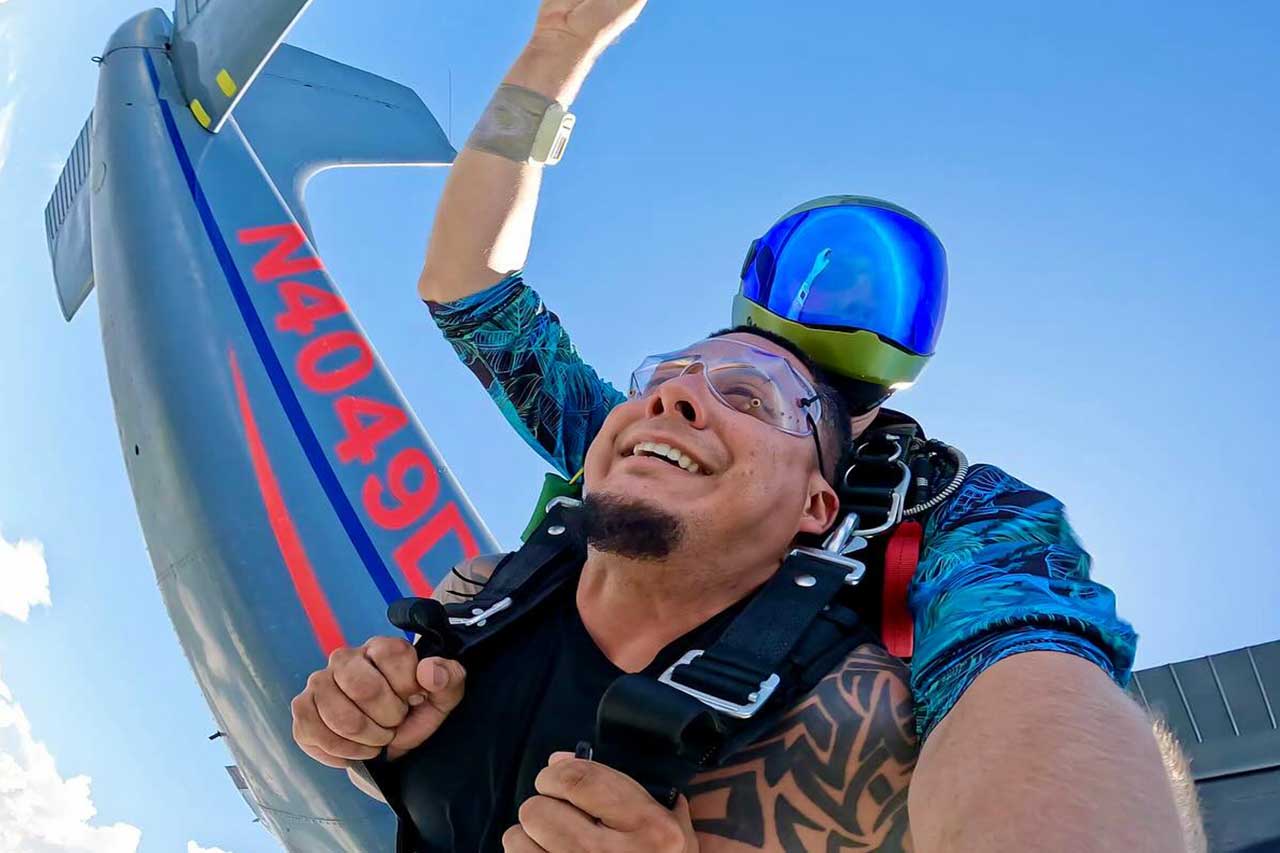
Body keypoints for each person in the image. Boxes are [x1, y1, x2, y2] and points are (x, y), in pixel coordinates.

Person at [292, 1, 1199, 850]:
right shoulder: (649, 447)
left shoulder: (957, 512)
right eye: (682, 374)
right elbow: (472, 293)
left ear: (818, 494)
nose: (684, 399)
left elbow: (1026, 667)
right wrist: (554, 51)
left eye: (756, 395)